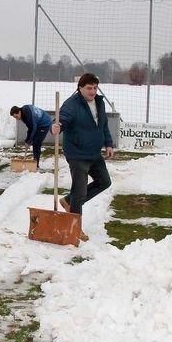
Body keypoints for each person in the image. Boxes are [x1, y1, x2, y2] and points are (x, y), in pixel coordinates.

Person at [51, 73, 114, 241]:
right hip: (77, 153)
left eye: (95, 88)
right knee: (79, 191)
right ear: (80, 88)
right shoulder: (72, 104)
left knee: (104, 182)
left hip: (94, 152)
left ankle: (69, 201)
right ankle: (75, 228)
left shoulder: (99, 102)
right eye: (89, 88)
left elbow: (103, 125)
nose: (92, 91)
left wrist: (108, 143)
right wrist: (56, 127)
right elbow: (61, 120)